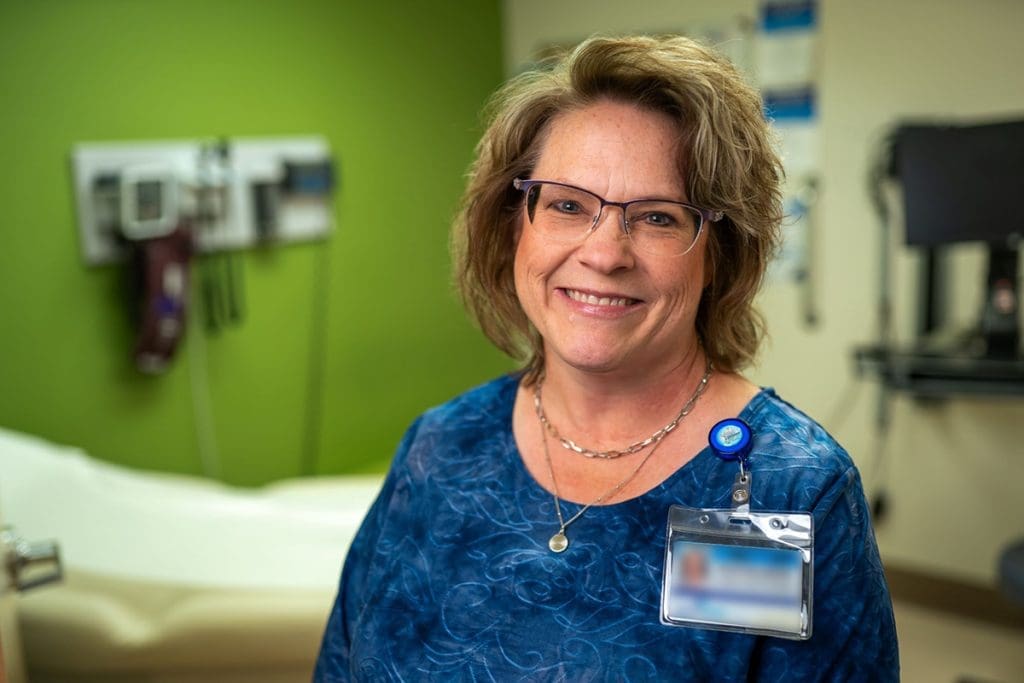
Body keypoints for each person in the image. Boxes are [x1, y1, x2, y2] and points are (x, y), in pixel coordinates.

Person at [314, 34, 898, 682]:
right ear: (514, 224)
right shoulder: (439, 448)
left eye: (657, 217)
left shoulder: (781, 492)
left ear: (719, 254)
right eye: (567, 204)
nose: (605, 253)